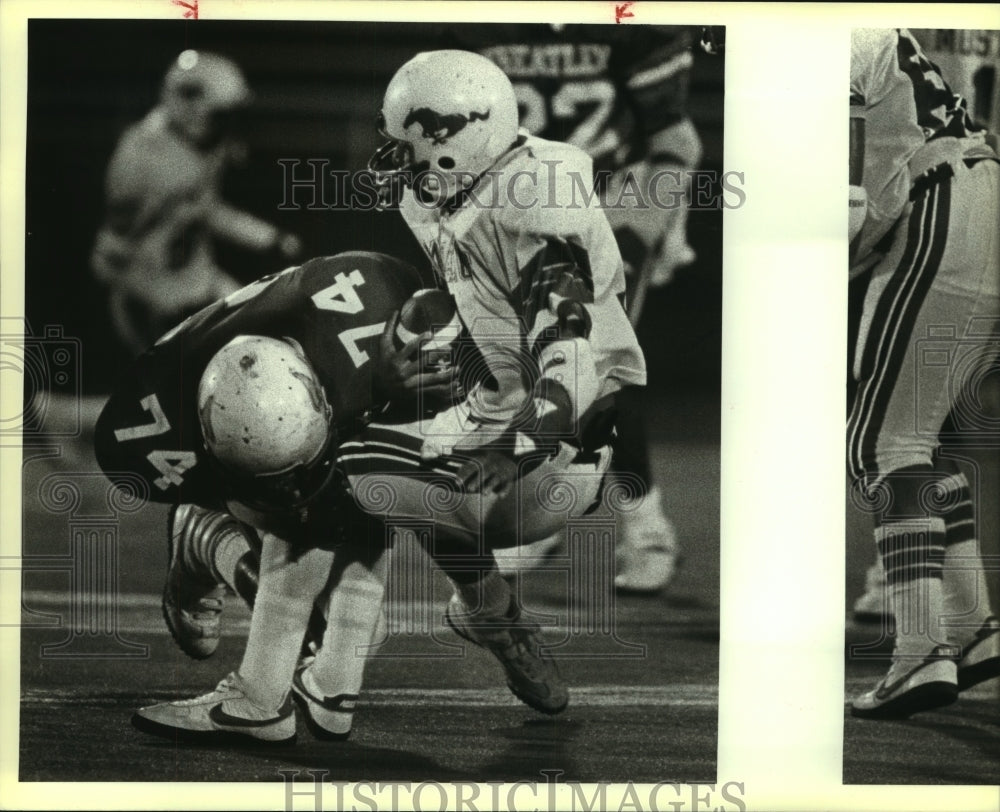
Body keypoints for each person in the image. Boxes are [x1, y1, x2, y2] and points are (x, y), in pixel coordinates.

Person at [95, 251, 570, 744]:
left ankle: (481, 614)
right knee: (329, 504)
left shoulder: (383, 314)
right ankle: (205, 544)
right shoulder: (137, 436)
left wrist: (368, 400)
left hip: (348, 389)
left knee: (392, 476)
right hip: (240, 447)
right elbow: (293, 496)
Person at [362, 46, 641, 684]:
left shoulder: (533, 199)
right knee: (407, 347)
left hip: (552, 454)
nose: (395, 161)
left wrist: (511, 451)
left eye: (407, 145)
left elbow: (568, 358)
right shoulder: (456, 191)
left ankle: (332, 649)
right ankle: (487, 610)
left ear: (455, 139)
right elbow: (475, 313)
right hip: (515, 419)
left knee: (355, 457)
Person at [436, 24, 705, 593]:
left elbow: (675, 143)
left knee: (597, 362)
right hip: (515, 207)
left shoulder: (629, 24)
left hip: (611, 205)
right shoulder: (471, 25)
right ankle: (548, 506)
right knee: (519, 363)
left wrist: (636, 230)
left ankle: (645, 526)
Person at [847, 28, 1000, 719]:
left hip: (940, 205)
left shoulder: (828, 37)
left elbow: (854, 199)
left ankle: (918, 652)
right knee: (915, 438)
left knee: (881, 446)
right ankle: (971, 631)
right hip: (974, 193)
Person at [90, 49, 301, 356]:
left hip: (193, 278)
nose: (226, 125)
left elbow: (204, 209)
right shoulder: (140, 157)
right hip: (152, 293)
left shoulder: (196, 144)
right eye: (219, 115)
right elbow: (116, 246)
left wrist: (267, 237)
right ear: (190, 107)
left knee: (262, 335)